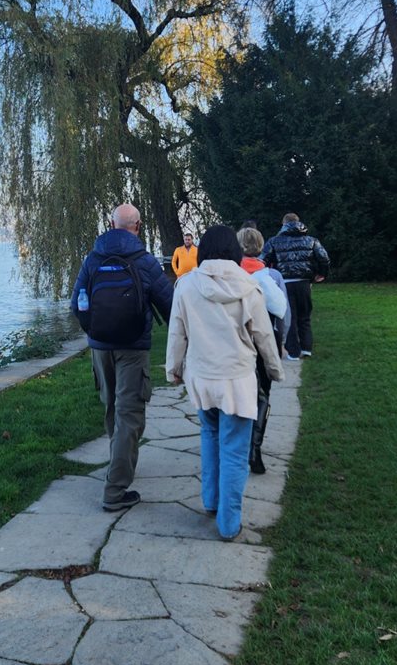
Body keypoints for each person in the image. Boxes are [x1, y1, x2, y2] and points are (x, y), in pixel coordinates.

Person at [165, 225, 284, 541]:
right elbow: (263, 336)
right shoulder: (249, 287)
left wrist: (173, 369)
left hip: (202, 378)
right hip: (237, 381)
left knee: (209, 434)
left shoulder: (185, 286)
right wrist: (275, 370)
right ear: (233, 251)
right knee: (234, 449)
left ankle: (211, 500)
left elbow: (177, 332)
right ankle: (230, 523)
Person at [71, 203, 174, 511]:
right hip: (133, 348)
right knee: (130, 413)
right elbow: (170, 305)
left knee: (112, 408)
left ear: (110, 224)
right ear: (138, 226)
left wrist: (94, 332)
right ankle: (115, 491)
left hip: (100, 348)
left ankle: (120, 463)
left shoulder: (93, 258)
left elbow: (76, 303)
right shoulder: (144, 261)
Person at [237, 227, 289, 474]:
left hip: (240, 339)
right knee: (263, 394)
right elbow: (284, 314)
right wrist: (282, 340)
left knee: (241, 391)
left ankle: (238, 441)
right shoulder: (273, 276)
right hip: (266, 337)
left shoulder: (234, 273)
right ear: (261, 246)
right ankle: (255, 448)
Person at [260, 213, 330, 360]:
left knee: (289, 317)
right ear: (299, 223)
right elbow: (324, 258)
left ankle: (293, 352)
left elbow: (263, 260)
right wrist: (321, 274)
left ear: (284, 224)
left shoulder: (274, 241)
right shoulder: (312, 240)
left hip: (285, 282)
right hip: (304, 282)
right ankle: (306, 348)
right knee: (304, 315)